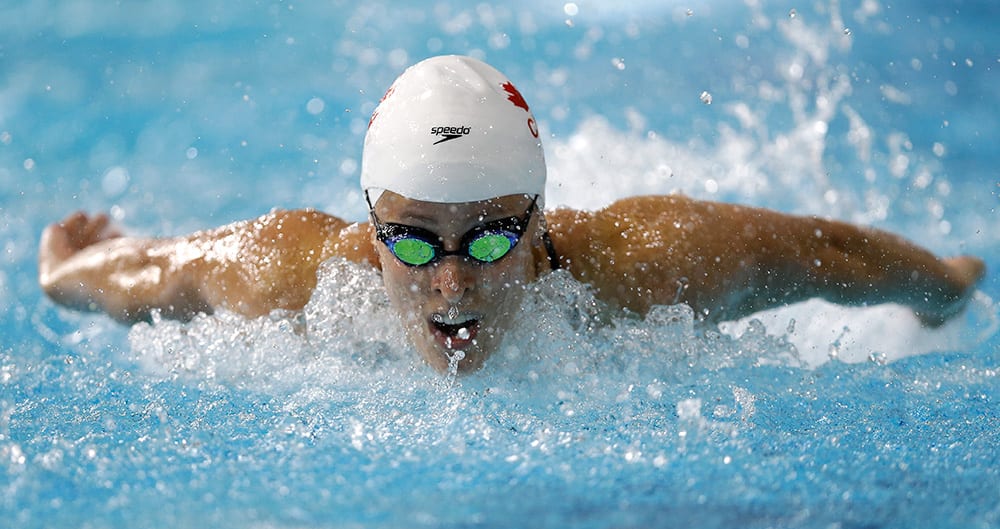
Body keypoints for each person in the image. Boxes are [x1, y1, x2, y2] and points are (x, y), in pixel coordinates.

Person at [39, 55, 986, 374]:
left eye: (491, 237)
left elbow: (825, 253)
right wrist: (68, 273)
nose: (453, 285)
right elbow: (155, 274)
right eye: (412, 243)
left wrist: (941, 289)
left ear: (540, 222)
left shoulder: (645, 264)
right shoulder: (289, 276)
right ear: (368, 228)